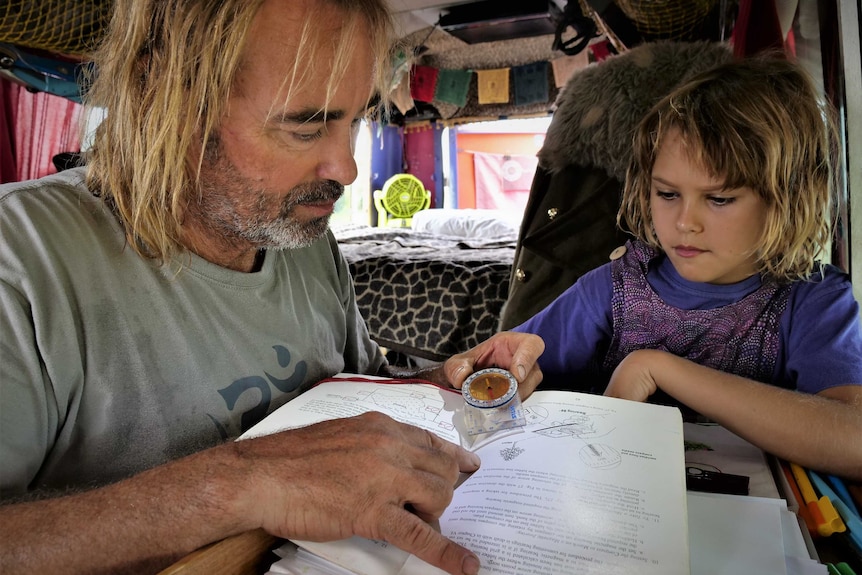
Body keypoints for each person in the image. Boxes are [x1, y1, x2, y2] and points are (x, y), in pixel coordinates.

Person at [0, 0, 544, 573]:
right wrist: (240, 480)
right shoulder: (22, 258)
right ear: (169, 100)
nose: (347, 167)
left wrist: (447, 381)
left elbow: (359, 397)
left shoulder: (304, 244)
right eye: (305, 126)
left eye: (355, 119)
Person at [513, 55, 862, 481]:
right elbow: (508, 364)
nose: (684, 223)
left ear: (784, 199)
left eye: (719, 199)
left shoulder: (813, 301)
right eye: (667, 193)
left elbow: (854, 441)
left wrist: (658, 367)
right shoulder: (614, 289)